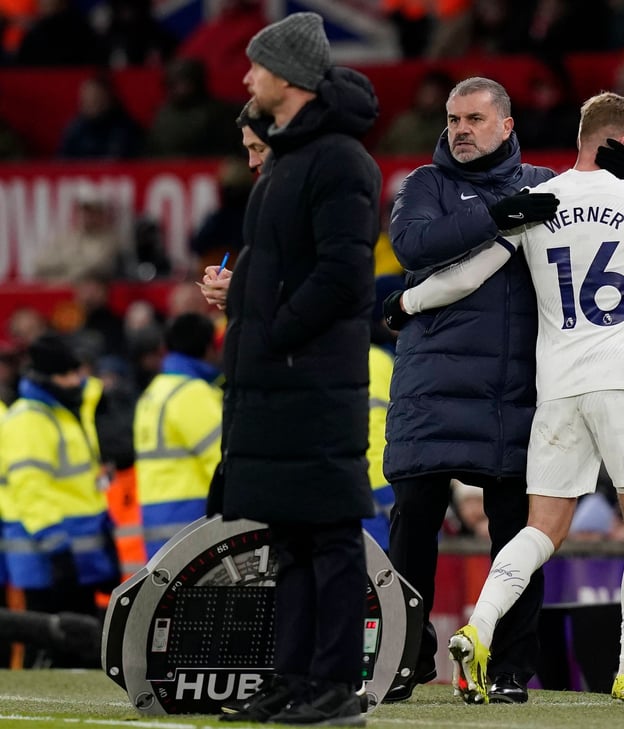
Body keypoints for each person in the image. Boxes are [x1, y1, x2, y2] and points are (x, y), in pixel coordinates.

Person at [389, 91, 624, 703]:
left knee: (540, 529)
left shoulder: (540, 199)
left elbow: (468, 275)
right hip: (623, 377)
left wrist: (406, 302)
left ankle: (478, 627)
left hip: (556, 385)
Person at [201, 13, 382, 727]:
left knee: (330, 536)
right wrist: (246, 302)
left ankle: (335, 685)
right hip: (285, 380)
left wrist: (274, 332)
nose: (247, 78)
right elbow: (287, 270)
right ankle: (294, 678)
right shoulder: (285, 159)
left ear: (287, 76)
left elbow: (344, 275)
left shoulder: (339, 159)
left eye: (256, 66)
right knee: (292, 538)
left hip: (314, 379)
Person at [0, 333, 119, 667]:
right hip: (47, 555)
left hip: (76, 554)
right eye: (68, 374)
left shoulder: (64, 414)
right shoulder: (29, 420)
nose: (76, 381)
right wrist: (56, 547)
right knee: (46, 644)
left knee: (80, 645)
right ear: (48, 378)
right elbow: (30, 490)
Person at [133, 313, 222, 559]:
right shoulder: (193, 393)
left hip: (156, 517)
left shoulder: (153, 392)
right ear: (208, 348)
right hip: (194, 517)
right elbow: (220, 460)